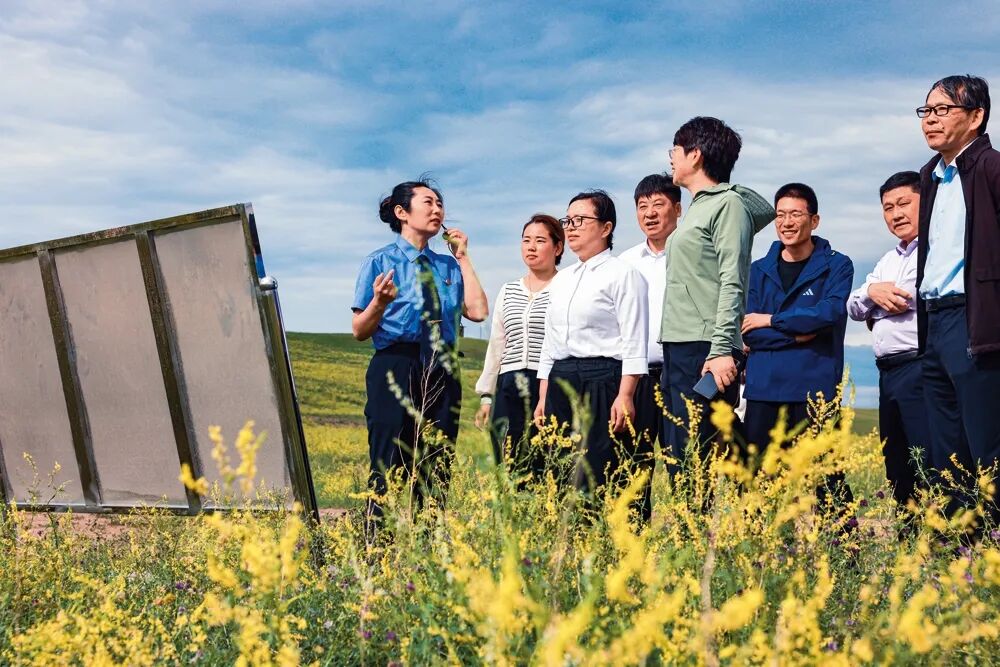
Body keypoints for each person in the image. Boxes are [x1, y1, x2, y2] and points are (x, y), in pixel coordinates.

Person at [352, 179, 488, 525]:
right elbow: (359, 330)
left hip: (443, 367)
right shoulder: (380, 261)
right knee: (388, 461)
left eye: (440, 203)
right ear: (402, 212)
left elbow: (478, 311)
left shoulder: (448, 266)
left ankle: (429, 545)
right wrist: (379, 303)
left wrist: (463, 257)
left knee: (436, 464)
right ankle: (377, 545)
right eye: (428, 202)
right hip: (396, 365)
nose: (437, 209)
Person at [659, 117, 774, 468]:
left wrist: (723, 348)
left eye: (675, 150)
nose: (671, 158)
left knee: (694, 455)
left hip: (705, 347)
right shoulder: (699, 208)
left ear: (695, 155)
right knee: (678, 455)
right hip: (679, 346)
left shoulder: (728, 205)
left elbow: (733, 280)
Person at [915, 74, 1000, 524]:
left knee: (987, 445)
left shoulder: (992, 168)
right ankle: (960, 548)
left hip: (975, 319)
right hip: (934, 323)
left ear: (976, 116)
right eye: (926, 111)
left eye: (943, 110)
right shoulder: (930, 177)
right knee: (945, 451)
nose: (930, 120)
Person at [533, 190, 648, 511]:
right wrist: (543, 396)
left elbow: (634, 339)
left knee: (597, 469)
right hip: (561, 380)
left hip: (602, 379)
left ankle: (598, 535)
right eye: (568, 220)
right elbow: (550, 342)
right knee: (561, 467)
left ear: (606, 227)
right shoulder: (562, 280)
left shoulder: (624, 274)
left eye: (580, 220)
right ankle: (565, 537)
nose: (571, 228)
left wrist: (626, 395)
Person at [741, 183, 854, 450]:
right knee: (758, 473)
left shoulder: (838, 265)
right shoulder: (757, 270)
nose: (787, 222)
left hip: (816, 391)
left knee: (819, 474)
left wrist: (771, 320)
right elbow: (750, 333)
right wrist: (798, 335)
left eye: (795, 214)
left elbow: (828, 313)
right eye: (780, 215)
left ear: (814, 221)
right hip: (763, 391)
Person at [847, 171, 929, 510]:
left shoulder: (933, 250)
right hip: (887, 371)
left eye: (903, 203)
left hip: (920, 365)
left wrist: (873, 306)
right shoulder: (888, 259)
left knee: (926, 458)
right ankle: (908, 534)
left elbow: (906, 298)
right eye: (888, 207)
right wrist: (871, 292)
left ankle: (941, 535)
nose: (896, 214)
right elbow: (853, 307)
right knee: (896, 461)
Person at [474, 214, 564, 481]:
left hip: (548, 384)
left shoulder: (566, 286)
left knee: (545, 463)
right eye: (526, 240)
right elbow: (497, 344)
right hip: (509, 385)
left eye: (540, 240)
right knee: (507, 463)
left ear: (558, 247)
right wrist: (487, 396)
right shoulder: (509, 290)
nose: (531, 247)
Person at [618, 173, 682, 520]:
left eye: (659, 204)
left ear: (678, 209)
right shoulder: (625, 263)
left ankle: (690, 538)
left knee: (683, 461)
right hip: (637, 376)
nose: (650, 213)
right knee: (632, 464)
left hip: (680, 373)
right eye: (643, 206)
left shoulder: (693, 255)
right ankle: (633, 540)